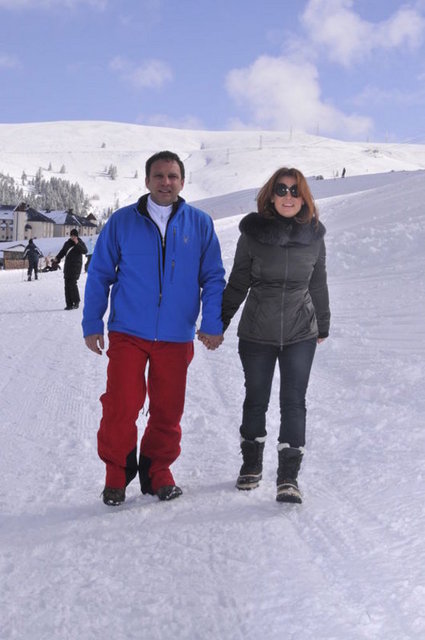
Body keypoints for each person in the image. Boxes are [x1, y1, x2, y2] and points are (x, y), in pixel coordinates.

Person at [82, 150, 225, 507]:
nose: (165, 182)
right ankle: (116, 475)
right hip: (129, 331)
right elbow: (100, 274)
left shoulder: (199, 224)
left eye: (172, 176)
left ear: (182, 182)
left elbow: (213, 277)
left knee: (167, 409)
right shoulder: (122, 222)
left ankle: (158, 472)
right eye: (159, 176)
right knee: (121, 404)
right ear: (146, 181)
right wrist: (92, 322)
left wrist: (211, 322)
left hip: (176, 334)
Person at [222, 167, 330, 504]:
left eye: (295, 191)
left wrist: (323, 323)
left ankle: (288, 478)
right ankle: (251, 465)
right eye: (281, 189)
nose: (288, 196)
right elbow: (238, 281)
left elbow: (318, 283)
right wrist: (218, 322)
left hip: (301, 331)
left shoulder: (314, 235)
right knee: (256, 398)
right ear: (270, 195)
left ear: (304, 197)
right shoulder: (252, 235)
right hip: (257, 332)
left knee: (294, 401)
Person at [54, 229, 87, 309]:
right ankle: (69, 304)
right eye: (72, 235)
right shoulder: (67, 243)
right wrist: (57, 258)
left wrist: (77, 243)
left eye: (74, 236)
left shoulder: (80, 243)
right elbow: (62, 252)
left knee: (72, 284)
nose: (73, 237)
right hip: (68, 267)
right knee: (67, 285)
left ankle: (76, 302)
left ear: (77, 236)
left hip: (76, 267)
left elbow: (85, 251)